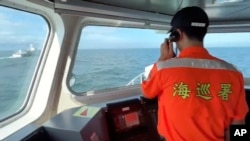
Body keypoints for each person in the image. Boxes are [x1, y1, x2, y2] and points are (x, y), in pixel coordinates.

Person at [141, 6, 249, 141]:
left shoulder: (163, 68)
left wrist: (162, 59)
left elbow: (147, 92)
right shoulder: (234, 73)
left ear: (177, 35)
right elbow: (239, 124)